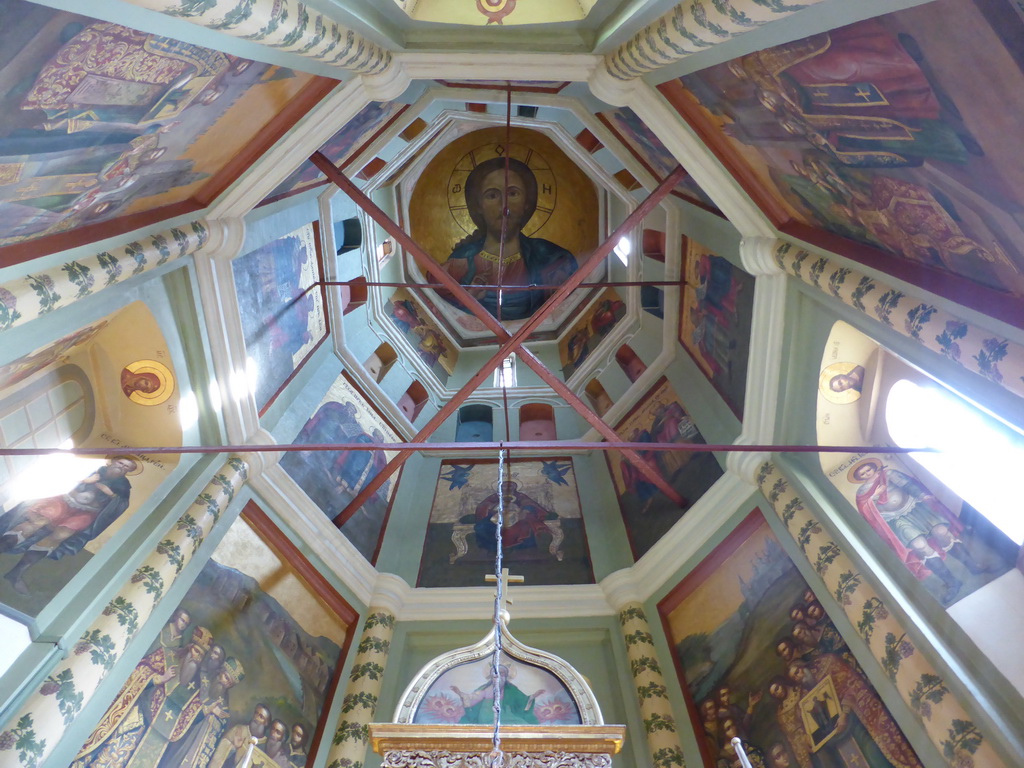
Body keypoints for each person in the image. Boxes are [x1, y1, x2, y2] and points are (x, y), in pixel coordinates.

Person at [440, 157, 577, 320]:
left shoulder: (554, 258)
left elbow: (566, 310)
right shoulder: (458, 264)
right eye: (492, 195)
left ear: (527, 202)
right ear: (478, 206)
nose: (504, 205)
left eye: (513, 193)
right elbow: (445, 311)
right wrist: (468, 300)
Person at [848, 458, 989, 601]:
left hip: (915, 507)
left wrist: (923, 495)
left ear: (873, 467)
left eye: (868, 470)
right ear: (859, 478)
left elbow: (908, 485)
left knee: (942, 533)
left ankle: (973, 566)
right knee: (919, 546)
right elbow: (865, 509)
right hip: (896, 520)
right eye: (863, 474)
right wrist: (874, 495)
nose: (867, 474)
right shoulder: (862, 491)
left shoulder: (888, 474)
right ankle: (953, 583)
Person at [0, 456, 138, 594]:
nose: (121, 467)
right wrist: (85, 480)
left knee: (60, 536)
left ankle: (16, 573)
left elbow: (121, 504)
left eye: (127, 467)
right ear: (112, 461)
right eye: (120, 463)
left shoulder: (123, 486)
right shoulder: (93, 469)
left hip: (87, 512)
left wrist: (111, 494)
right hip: (63, 501)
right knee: (36, 522)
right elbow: (64, 475)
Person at [466, 480, 554, 553]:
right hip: (495, 519)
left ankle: (520, 550)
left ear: (514, 488)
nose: (507, 488)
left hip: (517, 518)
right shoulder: (495, 497)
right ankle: (492, 548)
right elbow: (484, 505)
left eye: (510, 486)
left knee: (523, 527)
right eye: (504, 486)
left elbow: (528, 503)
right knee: (481, 527)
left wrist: (525, 510)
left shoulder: (519, 496)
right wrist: (493, 506)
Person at [450, 663, 546, 725]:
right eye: (496, 674)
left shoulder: (512, 690)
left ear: (506, 676)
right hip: (488, 714)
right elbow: (471, 699)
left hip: (508, 715)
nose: (499, 676)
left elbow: (523, 701)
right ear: (491, 676)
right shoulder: (486, 689)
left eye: (502, 674)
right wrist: (459, 692)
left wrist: (533, 696)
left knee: (522, 724)